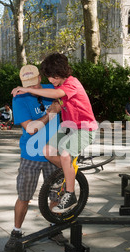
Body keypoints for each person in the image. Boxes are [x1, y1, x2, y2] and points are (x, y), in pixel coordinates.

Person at [11, 53, 98, 211]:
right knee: (48, 151)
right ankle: (67, 172)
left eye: (54, 77)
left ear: (63, 72)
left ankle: (70, 194)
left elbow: (57, 95)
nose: (51, 81)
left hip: (84, 128)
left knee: (64, 154)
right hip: (68, 128)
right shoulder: (57, 84)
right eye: (49, 77)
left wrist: (25, 89)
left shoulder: (71, 83)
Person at [4, 65, 65, 251]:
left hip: (54, 152)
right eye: (27, 83)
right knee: (24, 196)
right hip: (31, 154)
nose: (33, 86)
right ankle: (16, 232)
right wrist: (50, 114)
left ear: (40, 77)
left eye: (35, 81)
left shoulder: (53, 89)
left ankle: (55, 228)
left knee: (57, 193)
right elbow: (30, 127)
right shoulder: (20, 97)